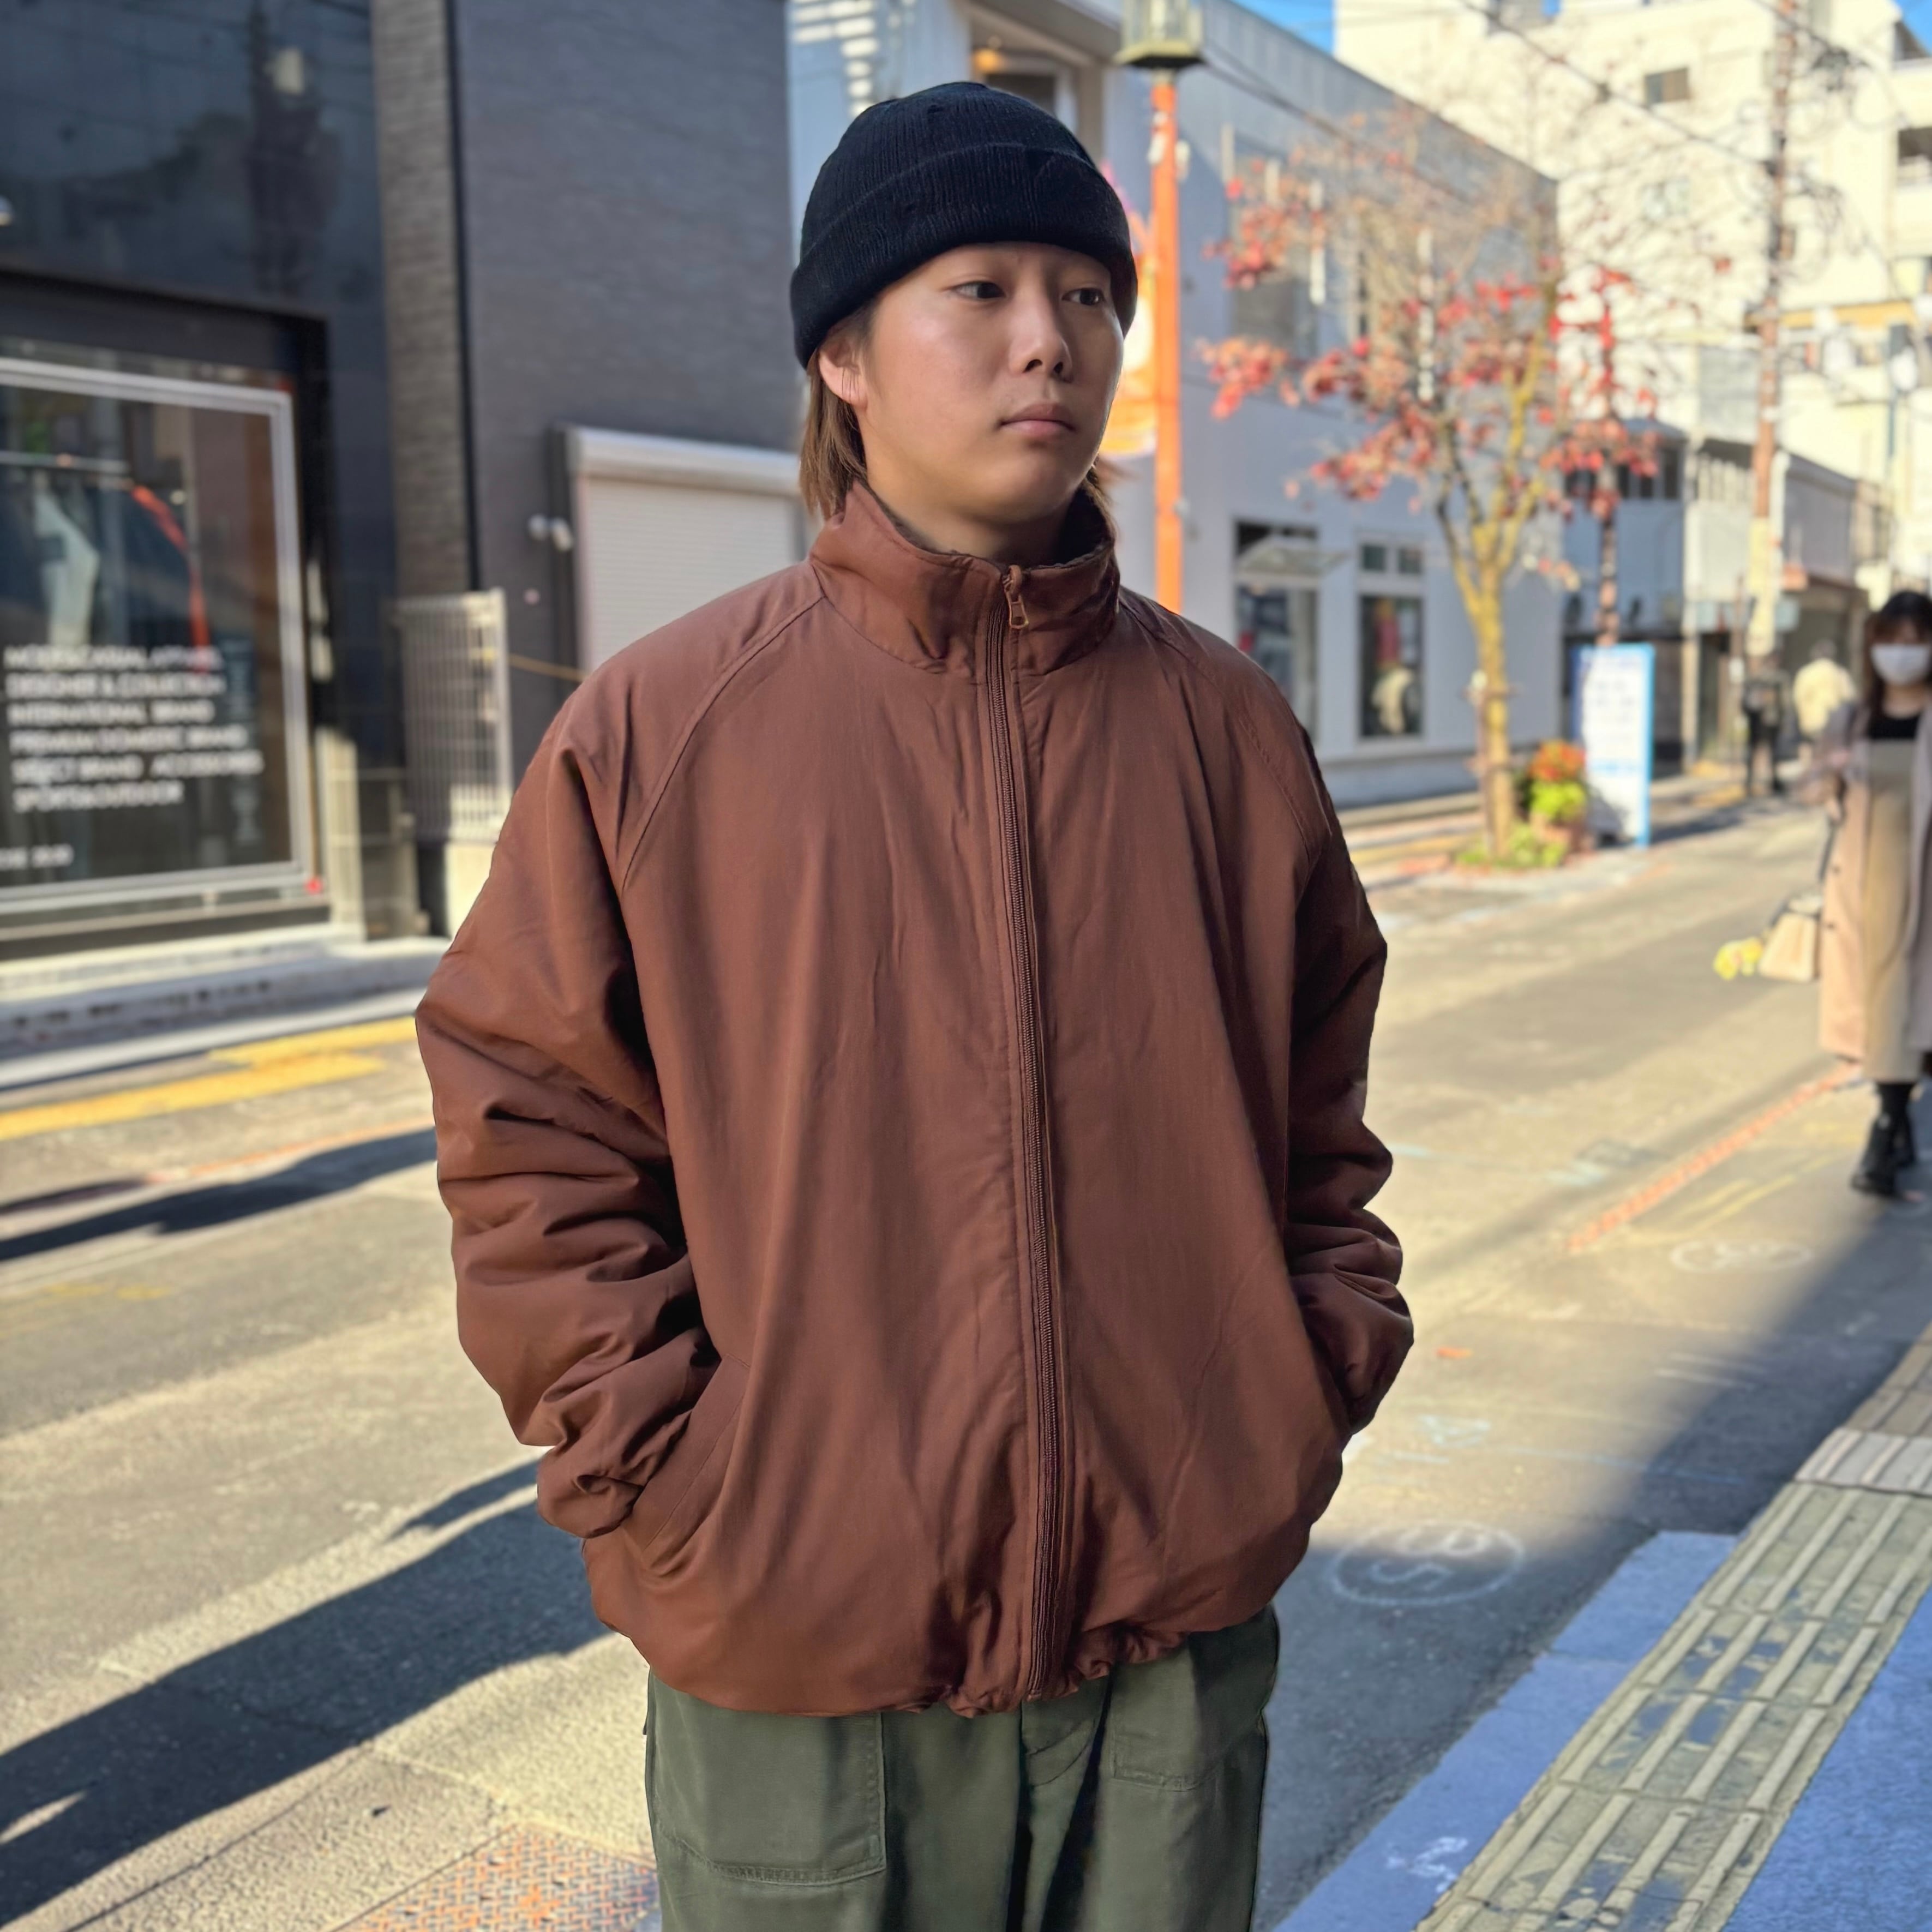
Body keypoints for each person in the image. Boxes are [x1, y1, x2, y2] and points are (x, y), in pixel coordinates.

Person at [416, 83, 1408, 1932]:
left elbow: (1315, 1115)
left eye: (1088, 295)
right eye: (981, 288)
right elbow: (530, 1126)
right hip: (803, 1663)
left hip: (1166, 1654)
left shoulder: (1224, 730)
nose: (1051, 339)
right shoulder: (666, 730)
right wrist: (681, 1482)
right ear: (843, 354)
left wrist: (1296, 1386)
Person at [1810, 591, 1932, 1197]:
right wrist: (1826, 767)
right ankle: (1887, 1126)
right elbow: (1814, 793)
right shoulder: (1853, 718)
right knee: (1886, 1005)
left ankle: (1894, 1125)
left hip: (1926, 881)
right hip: (1869, 885)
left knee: (1916, 1004)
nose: (1901, 653)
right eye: (1891, 639)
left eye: (1915, 640)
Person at [1792, 640, 1856, 748]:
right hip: (1835, 721)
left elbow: (1798, 697)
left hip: (1811, 720)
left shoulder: (1806, 673)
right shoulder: (1839, 672)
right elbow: (1849, 696)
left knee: (1809, 747)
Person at [1741, 656, 1788, 796]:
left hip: (1755, 720)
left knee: (1754, 751)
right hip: (1770, 720)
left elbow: (1744, 702)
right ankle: (1771, 782)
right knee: (1772, 752)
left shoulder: (1753, 679)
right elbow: (1784, 701)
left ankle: (1750, 782)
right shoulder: (1777, 679)